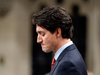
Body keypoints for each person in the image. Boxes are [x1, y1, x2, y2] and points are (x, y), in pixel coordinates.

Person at [32, 6, 87, 75]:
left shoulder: (67, 64)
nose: (38, 40)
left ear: (58, 32)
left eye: (42, 34)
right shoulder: (67, 57)